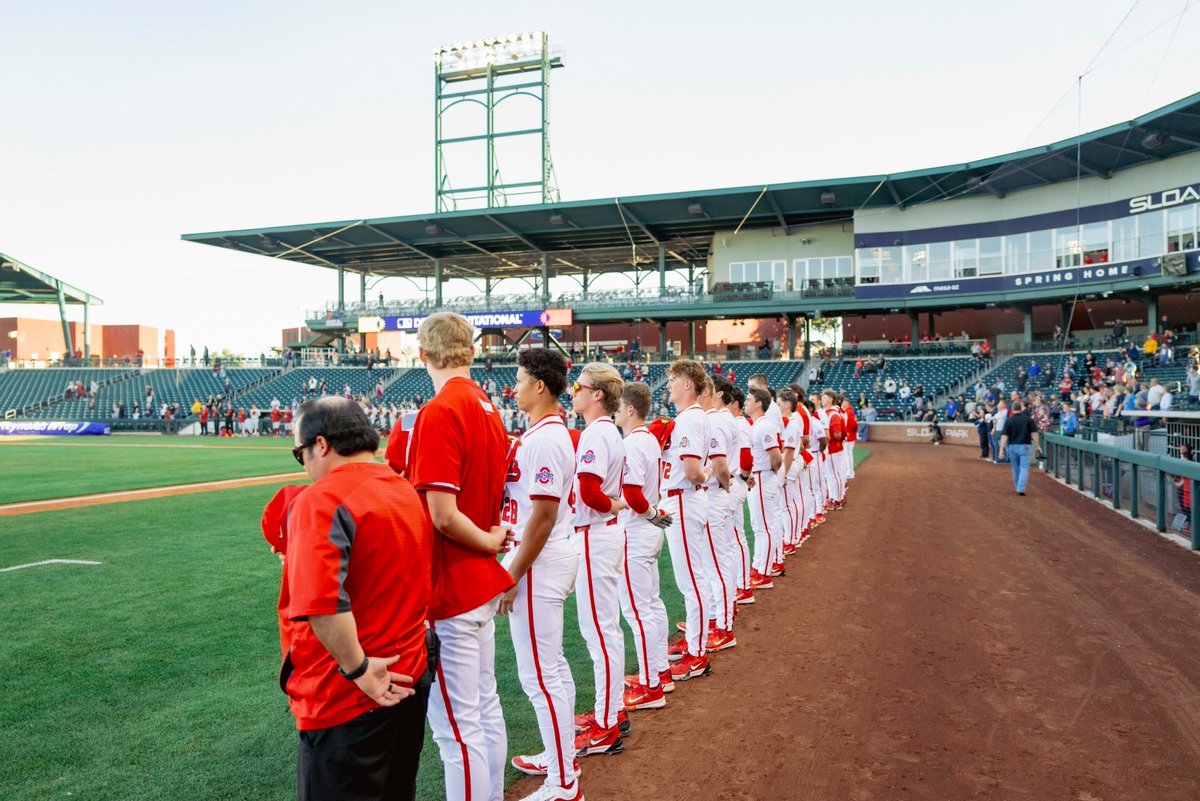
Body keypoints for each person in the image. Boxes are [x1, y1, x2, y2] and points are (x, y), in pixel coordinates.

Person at [282, 396, 433, 801]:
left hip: (351, 692)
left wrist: (358, 669)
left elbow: (322, 605)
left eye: (301, 454)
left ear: (322, 445)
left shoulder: (321, 498)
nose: (304, 464)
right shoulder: (403, 488)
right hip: (409, 672)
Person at [398, 312, 515, 801]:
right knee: (484, 710)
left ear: (423, 354)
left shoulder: (441, 408)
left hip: (453, 582)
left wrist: (489, 542)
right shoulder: (487, 405)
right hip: (478, 582)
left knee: (457, 730)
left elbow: (442, 515)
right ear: (470, 350)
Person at [501, 349, 586, 801]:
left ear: (539, 387)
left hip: (539, 561)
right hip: (546, 557)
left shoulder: (546, 438)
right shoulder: (541, 433)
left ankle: (564, 784)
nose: (513, 388)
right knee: (550, 667)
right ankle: (561, 758)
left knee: (540, 676)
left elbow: (543, 517)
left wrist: (513, 573)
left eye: (519, 380)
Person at [568, 362, 630, 758]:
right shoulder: (609, 431)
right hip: (603, 535)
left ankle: (606, 726)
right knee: (606, 631)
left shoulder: (596, 433)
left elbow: (590, 492)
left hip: (595, 535)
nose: (573, 391)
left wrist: (615, 505)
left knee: (600, 634)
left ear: (598, 395)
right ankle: (613, 710)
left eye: (579, 386)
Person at [616, 382, 674, 711]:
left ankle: (651, 686)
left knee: (638, 613)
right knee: (651, 605)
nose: (616, 410)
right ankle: (660, 672)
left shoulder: (634, 442)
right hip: (648, 531)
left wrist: (651, 514)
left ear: (631, 410)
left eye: (620, 405)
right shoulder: (649, 438)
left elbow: (633, 495)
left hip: (638, 531)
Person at [660, 359, 714, 682]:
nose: (669, 385)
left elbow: (693, 471)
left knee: (693, 583)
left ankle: (697, 654)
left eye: (674, 380)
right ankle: (695, 643)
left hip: (684, 500)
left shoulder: (691, 418)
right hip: (683, 501)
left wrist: (704, 475)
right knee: (694, 580)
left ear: (688, 385)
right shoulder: (689, 417)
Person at [745, 387, 783, 588]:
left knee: (764, 529)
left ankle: (765, 574)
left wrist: (769, 473)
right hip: (759, 477)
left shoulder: (763, 425)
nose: (746, 402)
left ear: (759, 404)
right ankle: (759, 566)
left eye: (749, 399)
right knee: (759, 527)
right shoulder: (757, 424)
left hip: (763, 477)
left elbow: (776, 457)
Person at [999, 400, 1040, 496]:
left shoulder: (1009, 420)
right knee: (1024, 468)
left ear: (1012, 409)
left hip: (1012, 446)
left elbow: (1004, 436)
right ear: (1021, 409)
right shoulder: (1028, 419)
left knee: (1015, 468)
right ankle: (1020, 489)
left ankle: (1018, 487)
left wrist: (1001, 449)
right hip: (1025, 446)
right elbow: (1034, 434)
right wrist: (1038, 446)